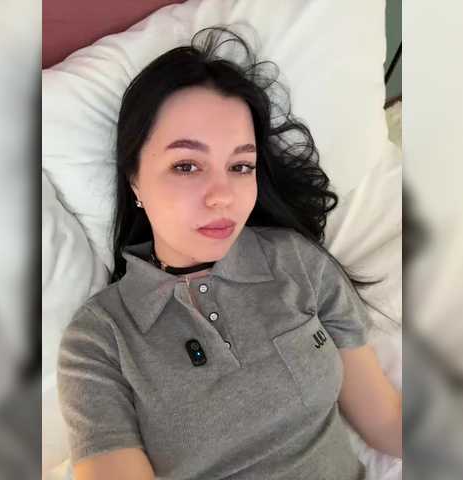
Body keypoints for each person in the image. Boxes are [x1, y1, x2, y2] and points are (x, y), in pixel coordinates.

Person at [57, 27, 401, 480]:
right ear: (135, 179)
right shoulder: (100, 340)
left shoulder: (297, 262)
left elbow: (387, 422)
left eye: (240, 166)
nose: (222, 196)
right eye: (186, 166)